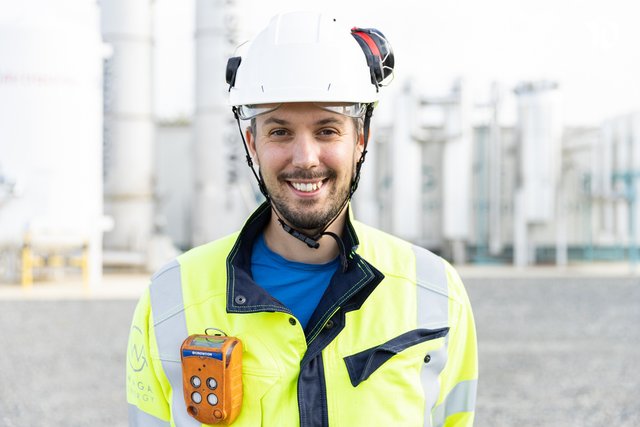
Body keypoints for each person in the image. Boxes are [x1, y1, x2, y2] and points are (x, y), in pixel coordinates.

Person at [127, 11, 477, 427]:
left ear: (360, 139)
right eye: (280, 132)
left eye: (327, 130)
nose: (305, 158)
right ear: (251, 141)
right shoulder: (171, 298)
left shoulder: (435, 291)